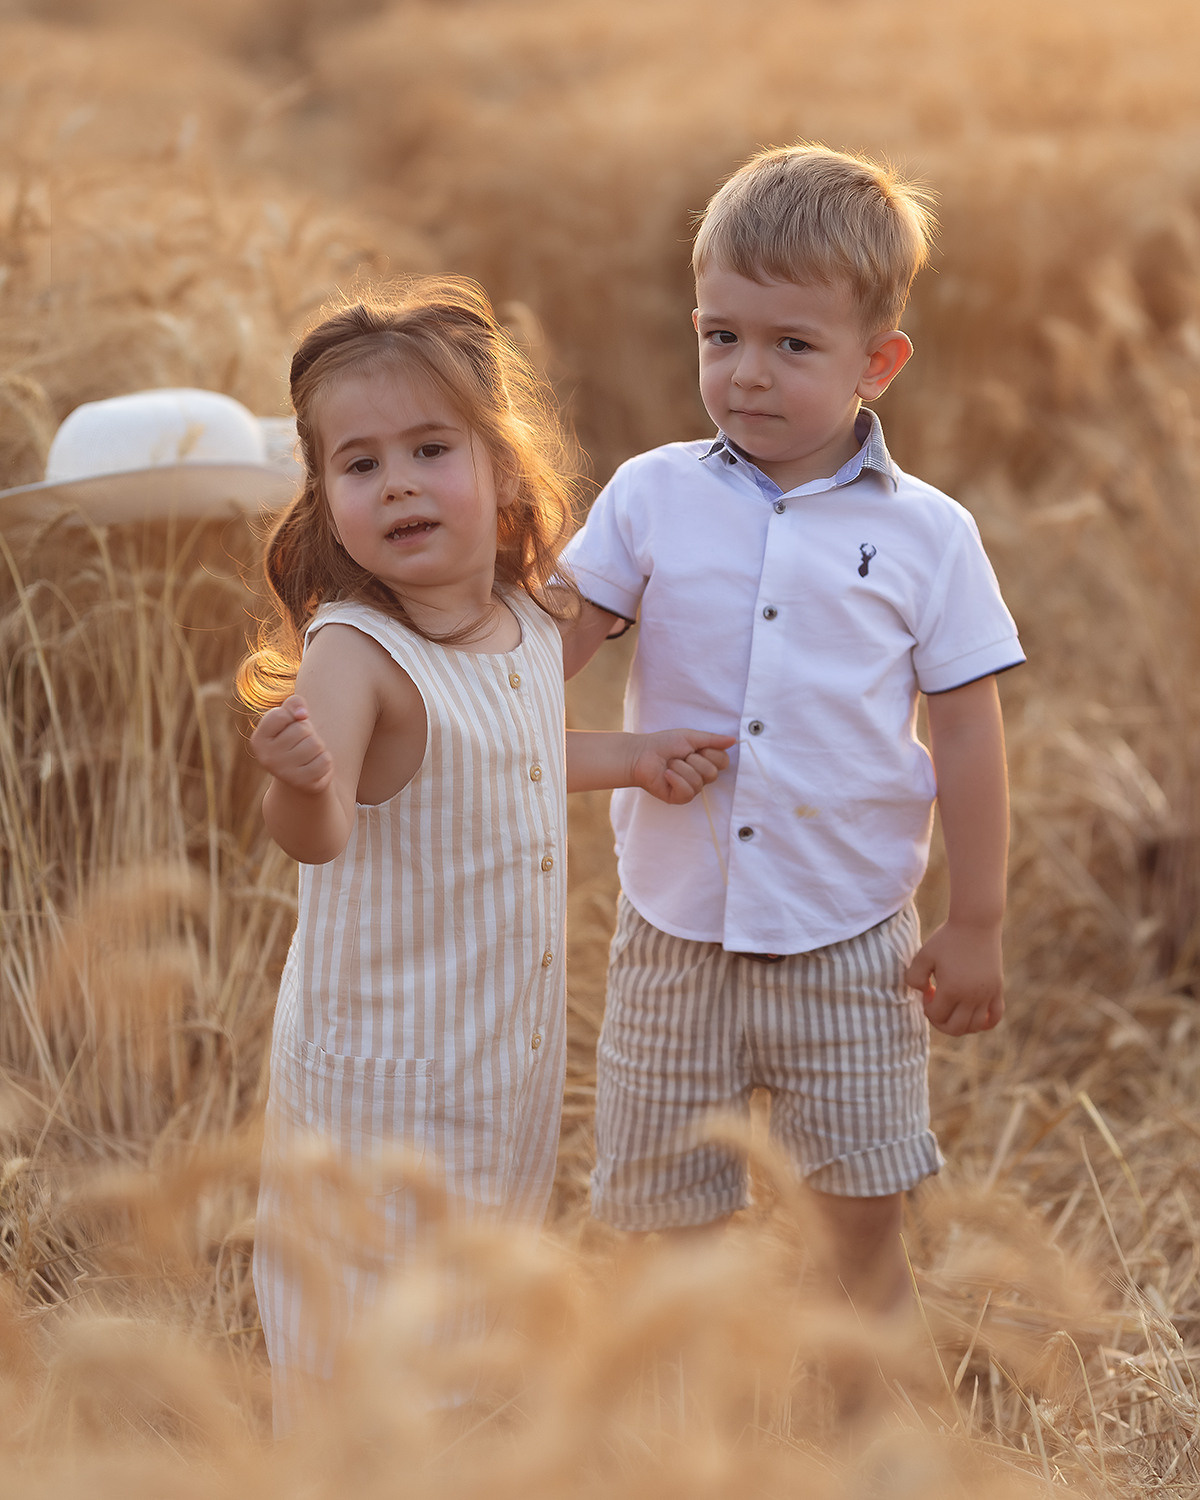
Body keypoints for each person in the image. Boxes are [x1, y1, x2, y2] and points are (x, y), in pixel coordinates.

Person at [236, 276, 732, 1428]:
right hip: (381, 1084)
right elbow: (322, 836)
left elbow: (504, 758)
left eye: (429, 448)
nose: (398, 480)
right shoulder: (354, 653)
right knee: (361, 1339)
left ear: (501, 469)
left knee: (472, 1336)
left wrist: (636, 753)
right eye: (360, 465)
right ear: (326, 500)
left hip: (496, 1064)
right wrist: (300, 781)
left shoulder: (519, 619)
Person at [560, 144, 1025, 1319]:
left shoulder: (930, 536)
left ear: (880, 362)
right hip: (676, 938)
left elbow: (969, 736)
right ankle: (675, 1451)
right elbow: (533, 659)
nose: (747, 375)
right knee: (663, 1241)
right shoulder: (651, 496)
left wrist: (975, 921)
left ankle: (873, 1453)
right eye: (721, 336)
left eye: (792, 346)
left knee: (861, 1242)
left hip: (853, 937)